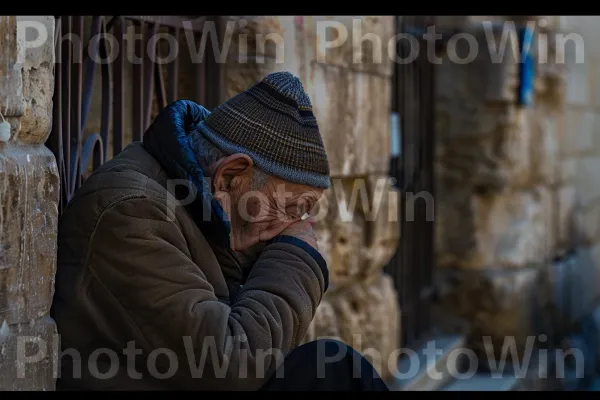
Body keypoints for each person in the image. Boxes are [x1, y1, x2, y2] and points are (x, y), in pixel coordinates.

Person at [51, 72, 390, 391]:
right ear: (230, 176)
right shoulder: (131, 213)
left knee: (329, 371)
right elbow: (232, 364)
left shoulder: (199, 210)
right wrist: (294, 256)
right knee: (332, 371)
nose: (294, 227)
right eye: (290, 208)